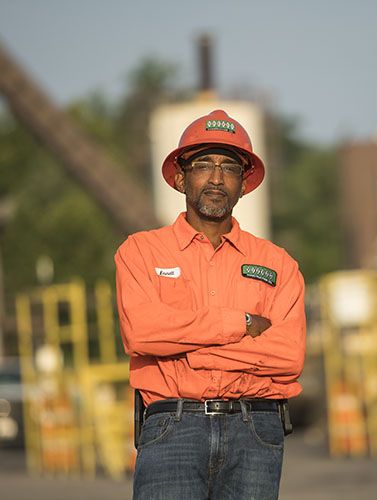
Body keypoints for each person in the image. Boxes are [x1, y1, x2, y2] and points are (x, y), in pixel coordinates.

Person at [115, 109, 306, 499]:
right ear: (181, 177)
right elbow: (142, 334)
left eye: (229, 167)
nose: (216, 178)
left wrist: (194, 353)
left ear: (244, 183)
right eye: (203, 164)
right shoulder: (140, 252)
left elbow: (288, 356)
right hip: (172, 427)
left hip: (256, 432)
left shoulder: (278, 264)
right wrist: (240, 323)